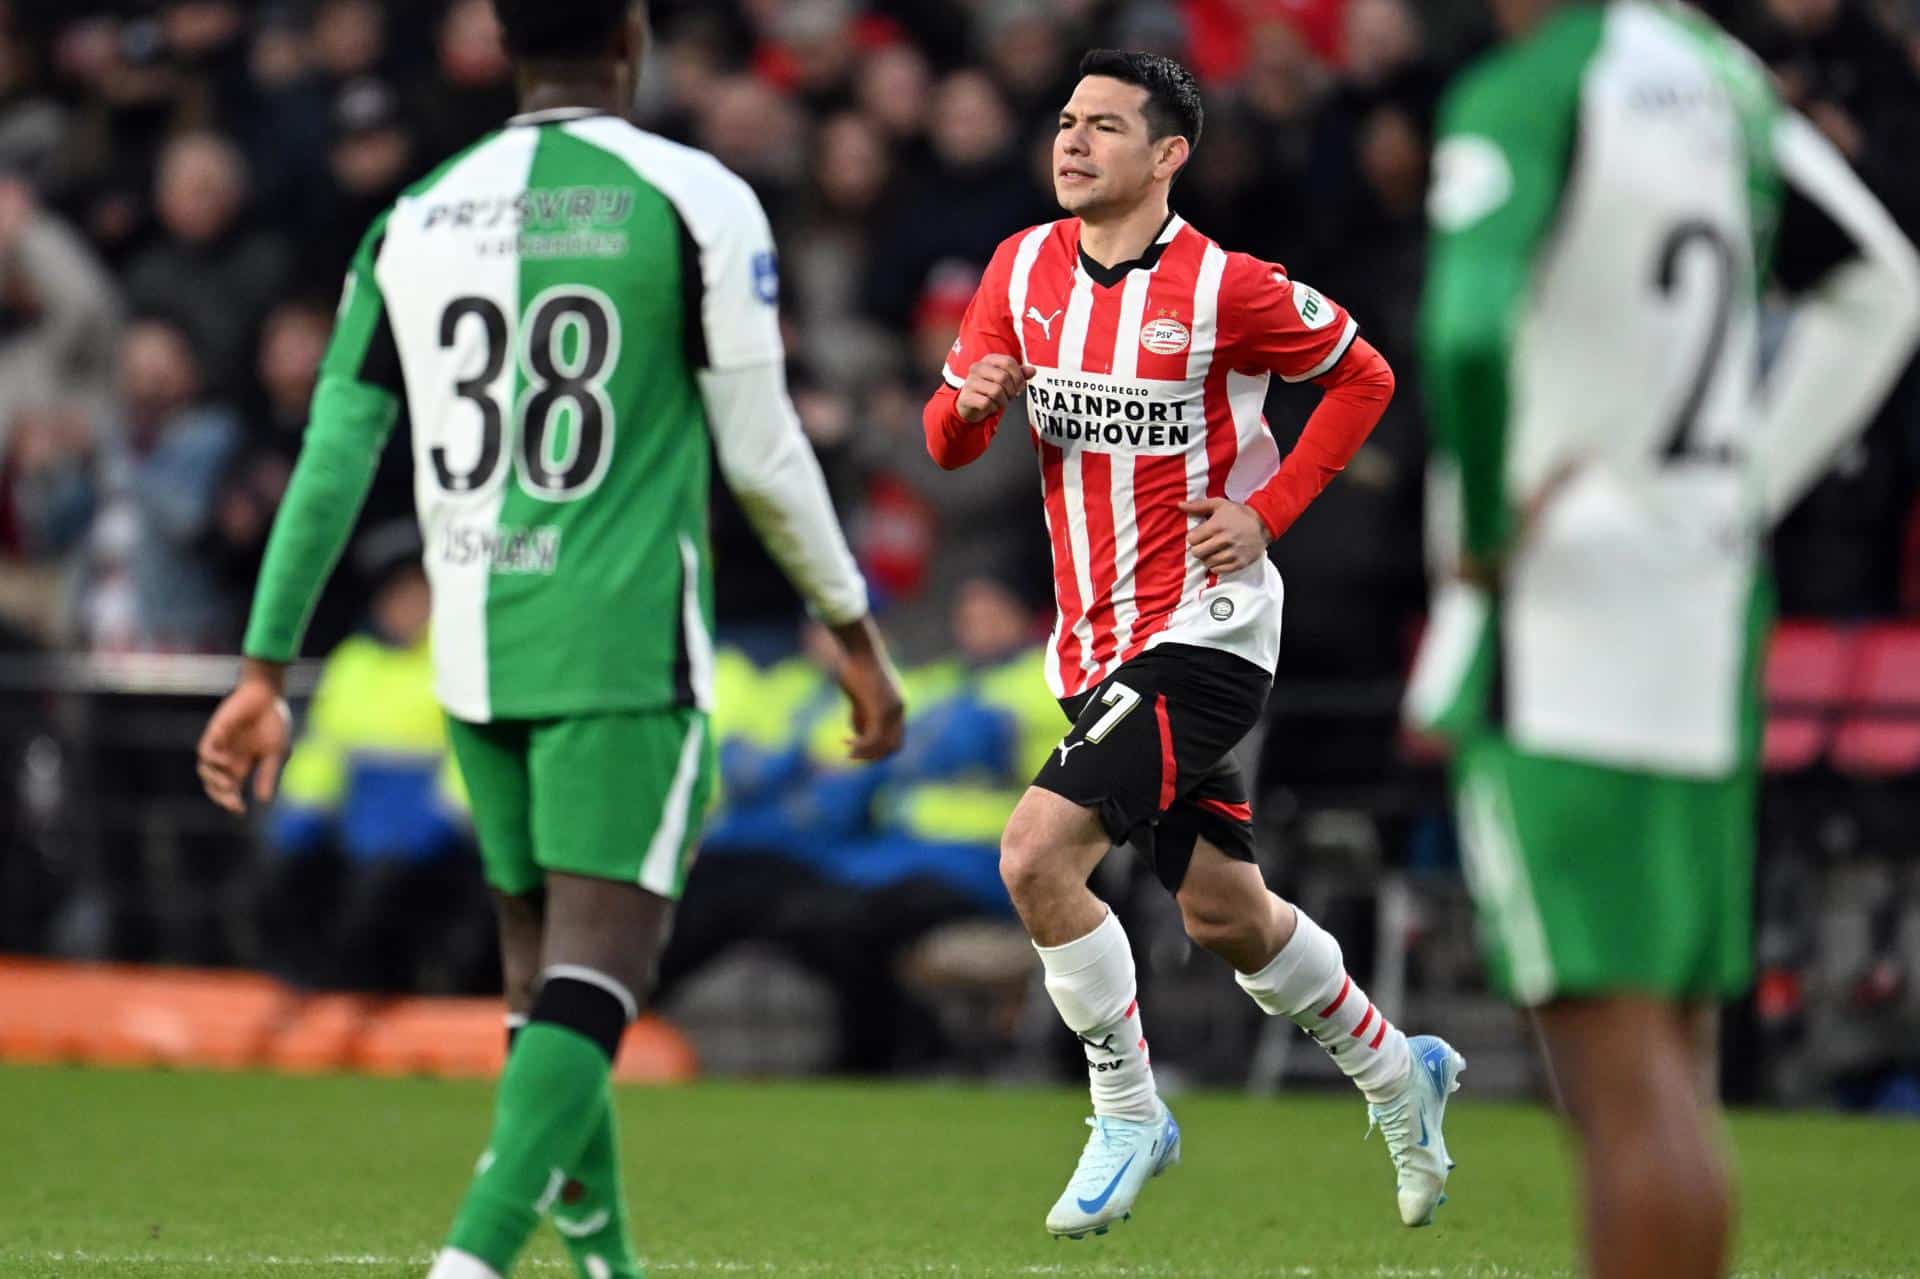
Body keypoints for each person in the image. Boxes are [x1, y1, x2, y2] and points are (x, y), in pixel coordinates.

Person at [194, 3, 906, 1278]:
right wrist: (852, 624)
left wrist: (262, 668)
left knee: (544, 995)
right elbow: (761, 445)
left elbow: (334, 456)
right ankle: (468, 1262)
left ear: (506, 43)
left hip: (471, 653)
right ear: (630, 38)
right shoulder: (694, 196)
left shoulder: (415, 215)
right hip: (621, 647)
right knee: (601, 974)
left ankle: (608, 1271)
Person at [1407, 3, 1920, 1278]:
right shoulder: (1722, 77)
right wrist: (1740, 488)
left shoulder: (1528, 92)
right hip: (1699, 610)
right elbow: (1886, 286)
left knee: (1615, 1075)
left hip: (1564, 613)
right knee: (1672, 1063)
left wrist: (1481, 524)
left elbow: (1468, 332)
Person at [920, 49, 1462, 1240]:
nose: (1072, 142)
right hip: (1094, 646)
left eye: (1104, 126)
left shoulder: (1228, 288)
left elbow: (1364, 377)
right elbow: (947, 444)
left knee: (1033, 856)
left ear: (1169, 155)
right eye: (1066, 121)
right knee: (1226, 912)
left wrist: (1266, 513)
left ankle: (1126, 1109)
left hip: (1208, 632)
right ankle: (1395, 1072)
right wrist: (966, 408)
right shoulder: (1020, 267)